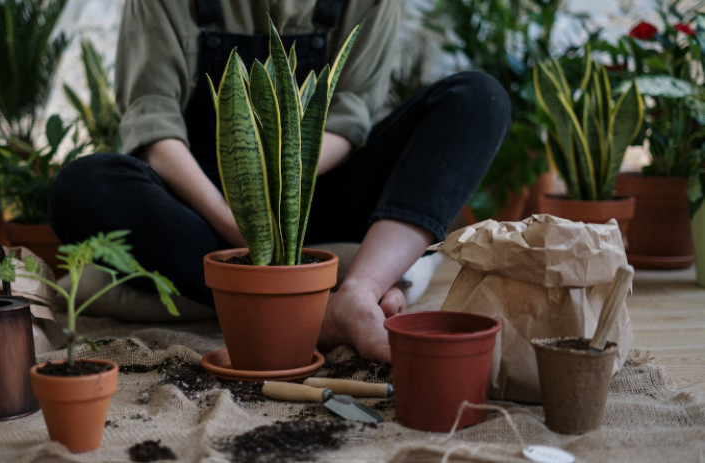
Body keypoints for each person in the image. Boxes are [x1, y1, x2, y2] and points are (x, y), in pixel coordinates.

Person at [49, 0, 510, 363]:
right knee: (83, 185)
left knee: (477, 98)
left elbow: (350, 118)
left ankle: (357, 292)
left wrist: (286, 196)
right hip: (208, 210)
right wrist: (239, 221)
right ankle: (308, 306)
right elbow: (153, 124)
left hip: (318, 190)